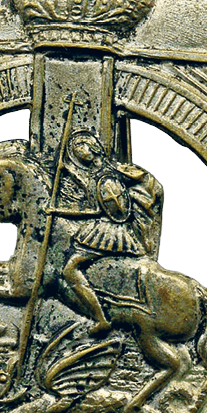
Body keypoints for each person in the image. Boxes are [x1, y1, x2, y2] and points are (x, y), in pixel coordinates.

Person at [59, 131, 162, 335]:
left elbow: (113, 211)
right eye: (75, 151)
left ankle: (101, 319)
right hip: (104, 228)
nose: (79, 153)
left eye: (81, 147)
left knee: (70, 270)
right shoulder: (100, 174)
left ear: (93, 147)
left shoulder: (107, 176)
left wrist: (59, 212)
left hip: (111, 232)